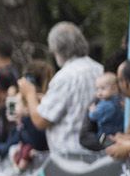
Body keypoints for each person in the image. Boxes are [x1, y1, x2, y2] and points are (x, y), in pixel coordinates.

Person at [16, 22, 103, 159]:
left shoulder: (64, 77)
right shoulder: (99, 69)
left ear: (57, 49)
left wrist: (30, 94)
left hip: (70, 158)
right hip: (97, 154)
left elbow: (40, 120)